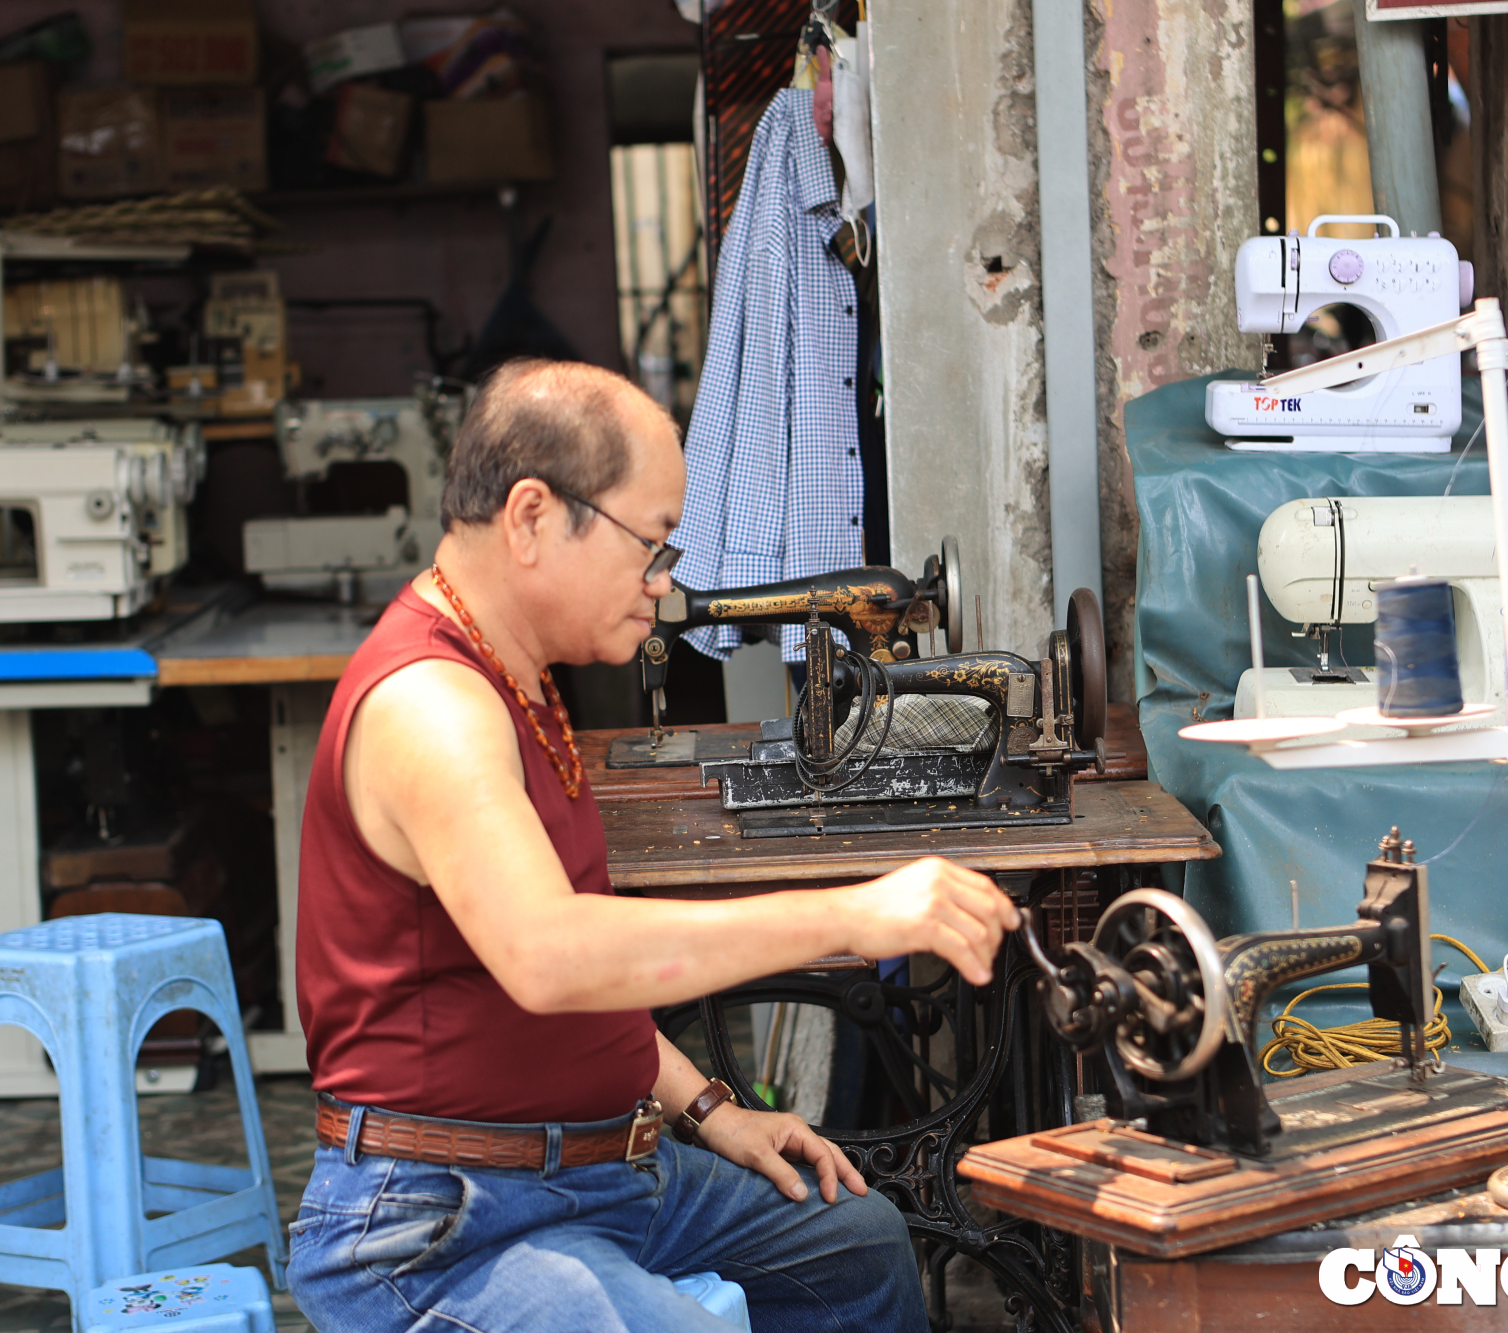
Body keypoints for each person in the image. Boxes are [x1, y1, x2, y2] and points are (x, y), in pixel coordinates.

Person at [287, 358, 1020, 1333]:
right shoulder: (431, 704)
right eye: (653, 542)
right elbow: (551, 956)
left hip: (601, 1169)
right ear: (533, 516)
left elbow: (585, 988)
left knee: (856, 1244)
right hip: (444, 1221)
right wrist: (853, 910)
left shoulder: (524, 680)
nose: (664, 584)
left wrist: (712, 1110)